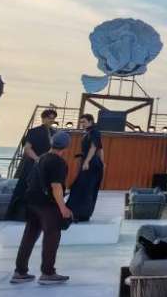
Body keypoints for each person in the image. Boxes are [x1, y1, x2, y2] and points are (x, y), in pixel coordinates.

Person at [11, 130, 72, 285]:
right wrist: (63, 208)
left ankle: (20, 271)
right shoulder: (58, 162)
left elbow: (30, 180)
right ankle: (48, 272)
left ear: (52, 142)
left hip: (31, 201)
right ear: (66, 146)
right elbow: (56, 186)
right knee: (52, 236)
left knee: (29, 236)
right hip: (47, 204)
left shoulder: (41, 158)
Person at [8, 108, 58, 219]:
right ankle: (22, 214)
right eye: (49, 118)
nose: (51, 120)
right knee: (27, 188)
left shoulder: (54, 133)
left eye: (53, 118)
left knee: (44, 190)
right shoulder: (33, 131)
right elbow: (27, 148)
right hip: (33, 164)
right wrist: (37, 159)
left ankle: (39, 214)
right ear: (43, 118)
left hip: (46, 165)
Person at [66, 114, 103, 222]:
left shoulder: (94, 132)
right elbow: (101, 149)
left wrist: (87, 161)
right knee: (81, 187)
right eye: (81, 122)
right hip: (90, 162)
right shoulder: (89, 132)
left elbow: (94, 147)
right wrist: (102, 162)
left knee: (86, 188)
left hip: (91, 163)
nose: (82, 124)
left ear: (91, 121)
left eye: (84, 122)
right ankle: (77, 213)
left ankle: (81, 214)